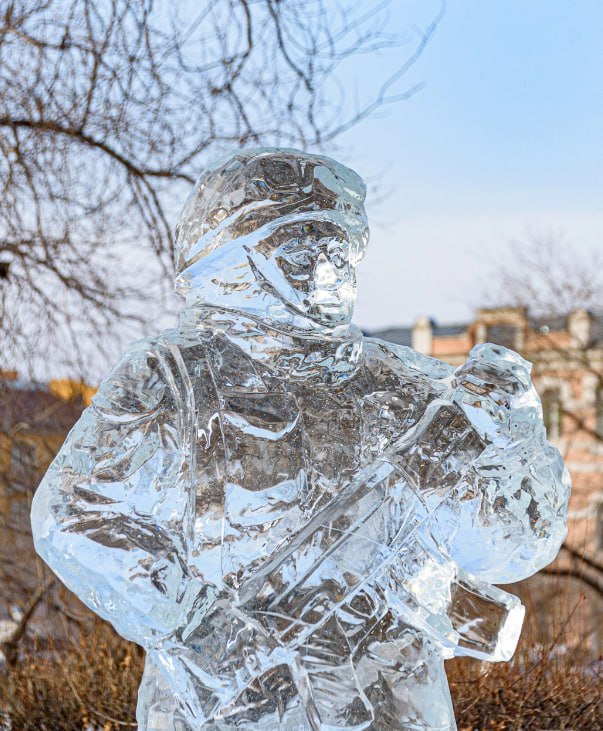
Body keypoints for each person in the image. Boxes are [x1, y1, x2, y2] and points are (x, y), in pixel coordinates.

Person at [31, 148, 570, 730]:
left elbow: (509, 550)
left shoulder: (421, 389)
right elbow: (72, 512)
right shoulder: (175, 377)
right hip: (234, 705)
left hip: (393, 703)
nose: (328, 269)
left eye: (341, 250)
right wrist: (199, 628)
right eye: (299, 249)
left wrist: (516, 463)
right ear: (233, 257)